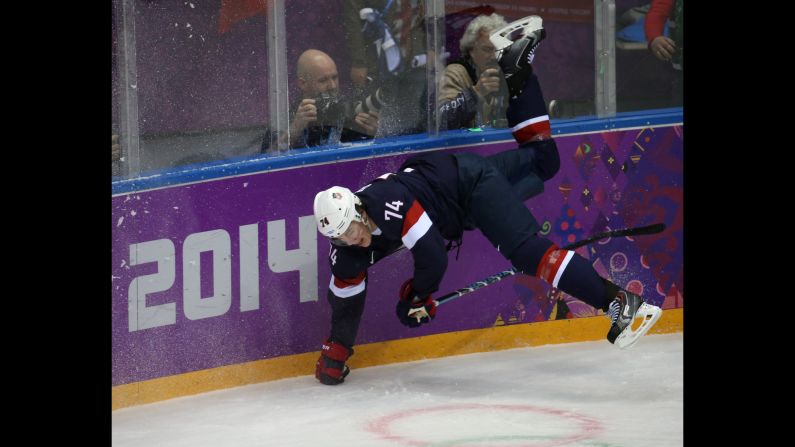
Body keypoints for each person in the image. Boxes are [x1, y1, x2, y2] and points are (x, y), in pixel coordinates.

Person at [311, 19, 663, 385]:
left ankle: (619, 303)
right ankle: (517, 66)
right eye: (340, 239)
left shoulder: (387, 202)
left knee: (528, 252)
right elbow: (346, 305)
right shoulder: (347, 249)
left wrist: (417, 294)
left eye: (350, 230)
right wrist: (336, 353)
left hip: (470, 185)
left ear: (358, 211)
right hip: (461, 181)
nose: (352, 240)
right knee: (544, 161)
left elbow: (432, 254)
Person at [264, 49, 380, 151]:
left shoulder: (345, 110)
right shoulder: (285, 119)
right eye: (323, 80)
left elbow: (361, 156)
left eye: (335, 77)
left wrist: (370, 133)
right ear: (303, 84)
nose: (332, 86)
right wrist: (295, 128)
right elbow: (268, 158)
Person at [437, 13, 513, 130]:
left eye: (499, 50)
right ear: (471, 49)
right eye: (487, 49)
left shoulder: (508, 74)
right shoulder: (456, 73)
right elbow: (442, 120)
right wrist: (476, 92)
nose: (494, 56)